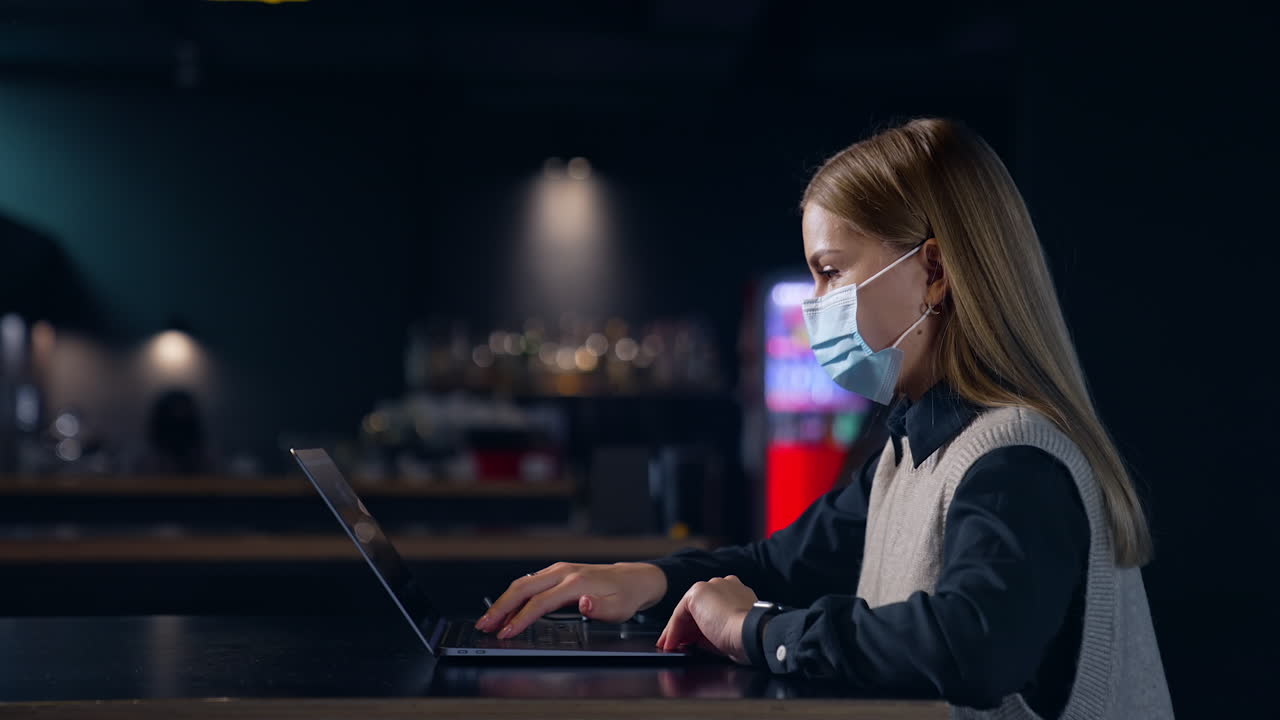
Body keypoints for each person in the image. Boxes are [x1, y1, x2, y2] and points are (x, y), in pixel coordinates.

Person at [475, 117, 1173, 719]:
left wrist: (755, 631)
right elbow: (783, 565)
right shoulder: (913, 449)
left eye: (832, 270)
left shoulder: (1016, 459)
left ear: (934, 271)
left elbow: (973, 646)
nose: (816, 306)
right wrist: (647, 581)